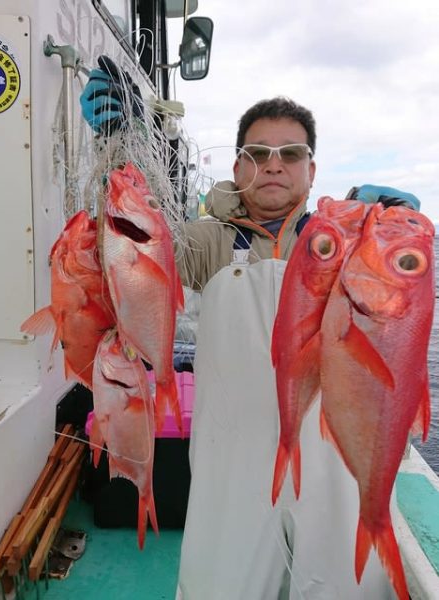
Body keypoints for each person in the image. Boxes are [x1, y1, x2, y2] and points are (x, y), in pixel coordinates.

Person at [80, 64, 419, 599]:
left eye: (291, 154)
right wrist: (113, 148)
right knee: (223, 584)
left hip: (333, 456)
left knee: (342, 583)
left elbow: (396, 303)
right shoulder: (206, 242)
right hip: (230, 455)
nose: (273, 166)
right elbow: (129, 256)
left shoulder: (346, 244)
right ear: (238, 166)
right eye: (257, 154)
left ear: (312, 169)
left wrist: (395, 229)